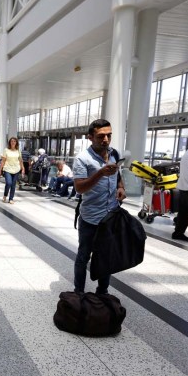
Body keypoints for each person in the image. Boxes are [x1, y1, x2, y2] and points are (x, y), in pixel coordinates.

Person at [72, 119, 126, 295]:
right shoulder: (82, 159)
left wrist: (121, 188)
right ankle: (78, 292)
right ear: (90, 137)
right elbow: (79, 188)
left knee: (106, 257)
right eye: (101, 136)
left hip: (111, 217)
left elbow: (118, 176)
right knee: (83, 256)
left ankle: (102, 292)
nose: (106, 139)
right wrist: (100, 173)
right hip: (90, 217)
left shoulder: (114, 154)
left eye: (109, 135)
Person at [0, 137, 25, 204]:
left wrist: (23, 168)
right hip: (7, 169)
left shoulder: (18, 151)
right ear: (10, 142)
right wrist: (0, 170)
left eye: (14, 141)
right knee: (9, 183)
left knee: (13, 185)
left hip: (16, 169)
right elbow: (3, 161)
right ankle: (5, 195)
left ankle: (11, 199)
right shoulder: (6, 150)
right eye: (12, 141)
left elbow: (20, 161)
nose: (13, 142)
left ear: (16, 143)